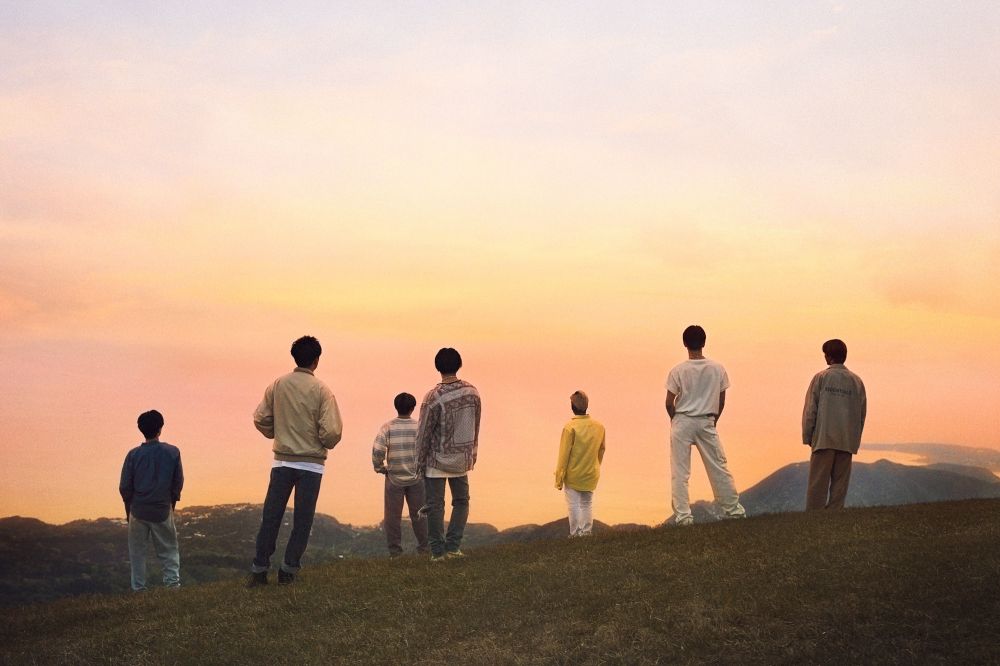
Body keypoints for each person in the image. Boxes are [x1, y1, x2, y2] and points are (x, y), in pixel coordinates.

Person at [246, 335, 343, 587]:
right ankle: (288, 570)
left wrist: (277, 433)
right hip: (311, 465)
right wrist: (320, 441)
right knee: (302, 521)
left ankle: (259, 569)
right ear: (316, 360)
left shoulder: (278, 384)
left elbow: (260, 418)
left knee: (271, 517)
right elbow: (332, 432)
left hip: (282, 462)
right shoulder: (322, 390)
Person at [665, 325, 745, 525]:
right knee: (718, 467)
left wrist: (675, 419)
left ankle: (684, 517)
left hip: (682, 421)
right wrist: (713, 420)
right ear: (704, 342)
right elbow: (721, 400)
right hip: (707, 420)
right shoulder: (718, 369)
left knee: (680, 472)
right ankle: (733, 511)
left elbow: (669, 402)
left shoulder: (678, 370)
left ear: (685, 343)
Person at [415, 348, 481, 561]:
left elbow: (424, 432)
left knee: (435, 506)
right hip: (461, 458)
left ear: (438, 367)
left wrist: (419, 462)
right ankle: (453, 547)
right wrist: (473, 452)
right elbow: (476, 425)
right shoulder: (472, 392)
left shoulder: (433, 397)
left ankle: (437, 552)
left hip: (437, 460)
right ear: (459, 364)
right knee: (461, 502)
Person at [119, 409, 184, 592]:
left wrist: (128, 511)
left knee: (137, 554)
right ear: (160, 428)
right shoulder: (172, 452)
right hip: (162, 509)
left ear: (141, 429)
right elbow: (177, 483)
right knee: (169, 550)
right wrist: (171, 505)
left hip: (138, 510)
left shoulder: (133, 455)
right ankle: (172, 586)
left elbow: (125, 487)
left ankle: (139, 589)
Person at [802, 339, 867, 510]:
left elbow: (810, 410)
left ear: (829, 357)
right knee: (840, 486)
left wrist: (808, 436)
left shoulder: (821, 378)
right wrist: (855, 439)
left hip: (823, 438)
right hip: (846, 440)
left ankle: (814, 517)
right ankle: (834, 516)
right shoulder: (856, 381)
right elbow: (861, 414)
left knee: (818, 484)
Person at [372, 392, 429, 557]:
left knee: (392, 517)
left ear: (396, 407)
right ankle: (424, 549)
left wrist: (380, 467)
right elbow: (428, 448)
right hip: (416, 478)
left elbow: (378, 450)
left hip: (394, 478)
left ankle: (395, 552)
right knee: (419, 515)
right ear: (413, 408)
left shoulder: (387, 427)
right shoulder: (419, 427)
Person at [554, 391, 606, 537]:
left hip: (573, 475)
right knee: (586, 504)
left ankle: (575, 534)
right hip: (591, 473)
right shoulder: (599, 427)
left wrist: (559, 478)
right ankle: (587, 532)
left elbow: (563, 455)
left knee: (574, 505)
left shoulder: (570, 428)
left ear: (573, 406)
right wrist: (596, 466)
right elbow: (602, 450)